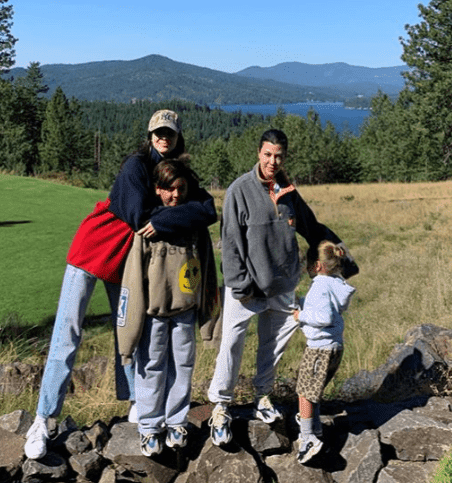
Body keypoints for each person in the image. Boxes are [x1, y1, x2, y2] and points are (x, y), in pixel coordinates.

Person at [24, 110, 217, 460]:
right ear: (150, 134)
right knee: (68, 333)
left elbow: (207, 210)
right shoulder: (136, 167)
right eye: (158, 132)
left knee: (130, 331)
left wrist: (179, 214)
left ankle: (134, 405)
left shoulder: (175, 174)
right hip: (93, 248)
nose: (164, 138)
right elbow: (139, 217)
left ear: (177, 138)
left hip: (126, 262)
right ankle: (43, 419)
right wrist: (180, 214)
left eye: (170, 134)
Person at [207, 129, 358, 446]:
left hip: (283, 286)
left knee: (272, 346)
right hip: (246, 289)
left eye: (278, 156)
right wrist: (240, 285)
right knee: (230, 348)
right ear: (258, 154)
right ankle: (220, 408)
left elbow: (312, 227)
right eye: (267, 154)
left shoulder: (288, 192)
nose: (272, 161)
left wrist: (344, 258)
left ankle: (263, 397)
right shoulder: (239, 190)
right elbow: (231, 244)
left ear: (283, 157)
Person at [116, 158, 220, 457]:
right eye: (168, 189)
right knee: (151, 367)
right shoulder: (147, 230)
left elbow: (209, 272)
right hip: (154, 314)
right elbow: (133, 282)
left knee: (183, 367)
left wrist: (210, 320)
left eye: (181, 189)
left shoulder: (195, 226)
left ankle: (176, 421)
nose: (175, 195)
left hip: (185, 311)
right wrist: (127, 341)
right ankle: (149, 427)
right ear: (157, 189)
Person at [293, 241, 356, 464]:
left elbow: (324, 317)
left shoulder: (319, 285)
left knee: (305, 392)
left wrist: (301, 316)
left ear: (318, 265)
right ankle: (316, 427)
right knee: (314, 390)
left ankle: (308, 437)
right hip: (335, 347)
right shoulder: (334, 283)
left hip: (319, 348)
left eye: (308, 265)